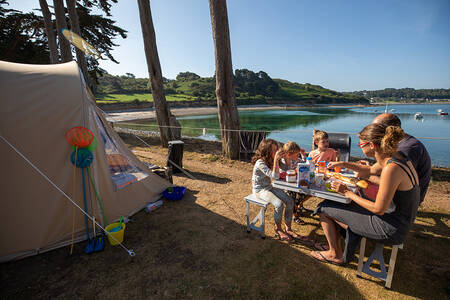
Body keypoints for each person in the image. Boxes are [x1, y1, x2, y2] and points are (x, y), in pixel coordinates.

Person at [310, 123, 420, 265]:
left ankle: (334, 253)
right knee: (335, 204)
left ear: (372, 145)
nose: (360, 147)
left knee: (323, 209)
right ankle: (346, 240)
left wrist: (347, 192)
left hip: (391, 227)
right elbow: (369, 171)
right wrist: (343, 164)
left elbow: (378, 209)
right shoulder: (397, 157)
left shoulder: (391, 169)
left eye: (361, 144)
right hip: (399, 220)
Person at [328, 113, 431, 204]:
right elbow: (374, 170)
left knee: (354, 190)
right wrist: (343, 163)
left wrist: (365, 176)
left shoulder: (406, 148)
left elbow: (393, 178)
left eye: (375, 127)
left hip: (405, 201)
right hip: (400, 192)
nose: (372, 129)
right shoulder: (397, 146)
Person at [251, 139, 304, 242]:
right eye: (274, 150)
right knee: (279, 204)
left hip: (269, 187)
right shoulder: (260, 162)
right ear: (267, 151)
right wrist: (276, 160)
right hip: (259, 190)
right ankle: (278, 229)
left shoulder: (273, 160)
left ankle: (288, 228)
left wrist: (286, 159)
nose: (277, 152)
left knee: (290, 201)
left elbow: (288, 169)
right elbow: (275, 176)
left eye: (277, 149)